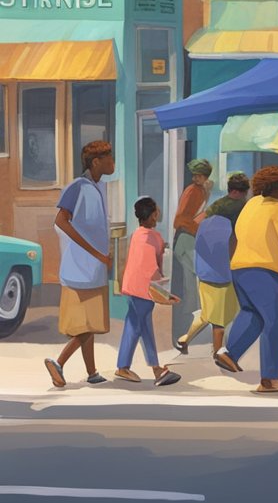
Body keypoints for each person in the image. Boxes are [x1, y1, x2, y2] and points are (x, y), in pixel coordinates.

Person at [216, 166, 278, 393]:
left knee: (253, 314)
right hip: (263, 271)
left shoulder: (251, 204)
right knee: (276, 320)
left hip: (239, 269)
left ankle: (229, 353)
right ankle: (269, 380)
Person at [45, 141, 116, 388]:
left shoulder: (99, 187)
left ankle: (92, 371)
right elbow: (61, 221)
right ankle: (59, 362)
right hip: (81, 268)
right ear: (96, 162)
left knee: (91, 321)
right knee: (86, 324)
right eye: (109, 158)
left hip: (94, 268)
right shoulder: (78, 187)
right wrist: (95, 253)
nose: (113, 162)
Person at [177, 172, 249, 354]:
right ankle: (218, 353)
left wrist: (207, 246)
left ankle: (185, 339)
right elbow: (238, 238)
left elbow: (195, 222)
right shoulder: (243, 208)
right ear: (244, 191)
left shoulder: (218, 204)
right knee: (221, 316)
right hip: (224, 267)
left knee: (208, 311)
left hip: (205, 265)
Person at [115, 197, 181, 387]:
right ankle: (147, 369)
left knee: (138, 326)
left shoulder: (136, 234)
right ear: (152, 216)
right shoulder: (155, 237)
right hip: (145, 290)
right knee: (139, 327)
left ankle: (146, 368)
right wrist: (166, 294)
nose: (157, 216)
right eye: (155, 214)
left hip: (131, 287)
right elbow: (154, 269)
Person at [170, 159, 213, 345]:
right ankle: (187, 329)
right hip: (185, 239)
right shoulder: (192, 191)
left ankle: (190, 329)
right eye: (195, 175)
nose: (196, 178)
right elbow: (179, 219)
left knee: (192, 283)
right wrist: (198, 229)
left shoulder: (202, 190)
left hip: (190, 239)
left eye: (200, 176)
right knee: (192, 283)